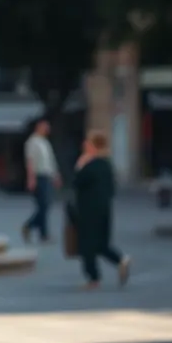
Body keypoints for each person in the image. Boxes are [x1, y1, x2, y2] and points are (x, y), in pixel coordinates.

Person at [73, 130, 130, 289]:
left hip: (88, 210)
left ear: (93, 146)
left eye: (88, 142)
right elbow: (112, 188)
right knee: (102, 243)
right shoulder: (107, 164)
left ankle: (93, 278)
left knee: (87, 244)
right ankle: (121, 259)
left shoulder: (89, 164)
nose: (84, 144)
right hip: (104, 208)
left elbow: (77, 182)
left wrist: (80, 166)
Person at [22, 119, 61, 243]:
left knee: (46, 205)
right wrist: (31, 178)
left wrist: (56, 175)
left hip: (47, 175)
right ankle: (36, 229)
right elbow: (30, 161)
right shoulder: (32, 142)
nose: (47, 129)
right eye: (45, 127)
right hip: (39, 175)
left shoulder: (45, 142)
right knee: (43, 204)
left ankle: (33, 228)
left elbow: (51, 160)